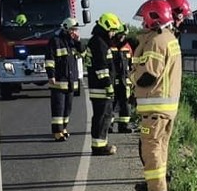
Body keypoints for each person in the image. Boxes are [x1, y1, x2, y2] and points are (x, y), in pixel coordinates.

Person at [130, 0, 182, 191]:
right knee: (160, 148)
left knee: (150, 147)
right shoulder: (168, 38)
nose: (142, 24)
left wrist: (131, 77)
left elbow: (148, 75)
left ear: (153, 18)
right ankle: (157, 184)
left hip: (155, 106)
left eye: (144, 19)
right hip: (165, 108)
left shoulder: (156, 41)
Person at [86, 12, 122, 155]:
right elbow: (101, 69)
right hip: (101, 88)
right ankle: (99, 147)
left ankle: (101, 144)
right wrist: (109, 85)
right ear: (106, 28)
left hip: (99, 88)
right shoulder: (99, 43)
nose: (113, 34)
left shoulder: (98, 41)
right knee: (102, 117)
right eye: (112, 31)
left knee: (103, 116)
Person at [44, 17, 83, 141]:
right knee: (58, 109)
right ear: (66, 29)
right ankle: (57, 132)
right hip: (59, 82)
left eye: (75, 29)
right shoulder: (55, 41)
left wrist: (78, 42)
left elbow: (83, 54)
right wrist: (51, 75)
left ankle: (64, 128)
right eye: (73, 29)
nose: (75, 32)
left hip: (71, 82)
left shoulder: (73, 42)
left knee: (68, 108)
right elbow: (50, 60)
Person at [110, 25, 134, 133]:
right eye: (120, 34)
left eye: (124, 35)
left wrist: (132, 79)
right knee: (111, 103)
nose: (122, 37)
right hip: (113, 80)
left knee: (125, 104)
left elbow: (132, 64)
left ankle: (123, 126)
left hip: (125, 80)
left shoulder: (128, 47)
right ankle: (109, 126)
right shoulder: (110, 45)